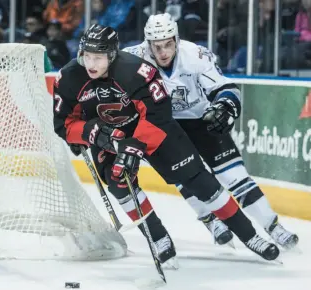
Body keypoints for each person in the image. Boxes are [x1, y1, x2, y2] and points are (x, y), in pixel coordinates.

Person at [53, 24, 280, 266]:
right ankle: (158, 237)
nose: (91, 64)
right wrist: (88, 134)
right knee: (120, 184)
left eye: (97, 57)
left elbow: (157, 116)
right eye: (87, 56)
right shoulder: (69, 77)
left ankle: (251, 235)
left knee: (201, 183)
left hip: (152, 131)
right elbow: (63, 123)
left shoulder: (137, 71)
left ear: (111, 54)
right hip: (109, 135)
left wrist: (133, 147)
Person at [123, 13, 298, 250]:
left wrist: (224, 108)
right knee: (187, 178)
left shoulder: (195, 55)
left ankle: (273, 226)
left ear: (176, 39)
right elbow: (101, 73)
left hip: (201, 119)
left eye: (168, 44)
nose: (163, 52)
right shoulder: (132, 58)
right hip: (167, 126)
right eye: (157, 46)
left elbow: (225, 87)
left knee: (235, 178)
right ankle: (211, 220)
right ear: (147, 44)